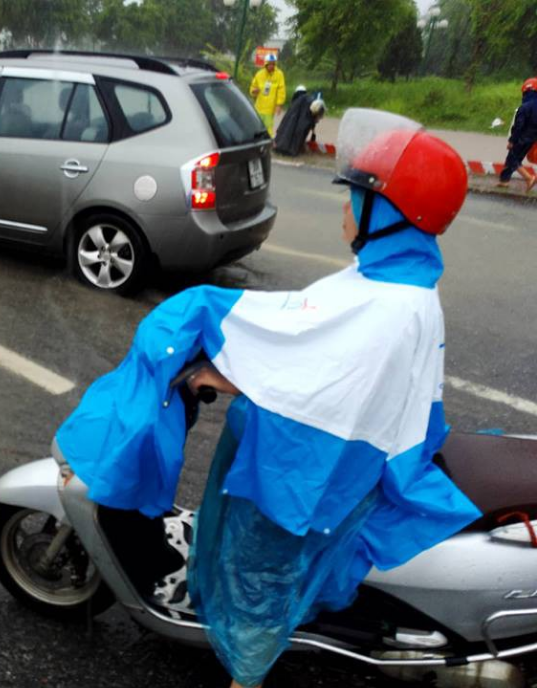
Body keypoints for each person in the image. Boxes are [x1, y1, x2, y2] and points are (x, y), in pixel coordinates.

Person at [54, 109, 480, 688]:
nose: (346, 212)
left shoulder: (388, 305)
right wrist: (227, 374)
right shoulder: (395, 283)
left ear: (392, 213)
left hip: (306, 474)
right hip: (320, 455)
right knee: (248, 564)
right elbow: (318, 354)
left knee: (259, 579)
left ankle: (245, 678)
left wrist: (212, 345)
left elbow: (324, 372)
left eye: (356, 200)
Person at [497, 77, 537, 191]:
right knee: (513, 157)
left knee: (513, 159)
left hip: (522, 137)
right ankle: (504, 181)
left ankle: (529, 178)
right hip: (533, 138)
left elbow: (518, 126)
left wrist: (511, 141)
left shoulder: (524, 107)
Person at [273, 91, 325, 156]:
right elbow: (300, 131)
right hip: (286, 147)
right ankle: (288, 147)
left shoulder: (304, 105)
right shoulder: (305, 114)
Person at [249, 53, 286, 137]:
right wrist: (253, 91)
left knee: (268, 126)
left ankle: (268, 141)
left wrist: (279, 104)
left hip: (270, 107)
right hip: (259, 106)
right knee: (256, 125)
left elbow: (281, 90)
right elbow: (253, 87)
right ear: (266, 64)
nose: (272, 66)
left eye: (273, 64)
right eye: (270, 64)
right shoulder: (259, 74)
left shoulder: (279, 74)